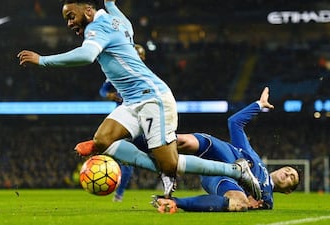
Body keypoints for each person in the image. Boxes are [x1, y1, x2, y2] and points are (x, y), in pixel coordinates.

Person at [17, 0, 261, 199]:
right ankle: (161, 167)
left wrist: (44, 60)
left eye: (71, 16)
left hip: (153, 98)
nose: (70, 23)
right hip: (132, 101)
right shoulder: (118, 19)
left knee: (170, 164)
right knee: (102, 140)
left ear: (88, 10)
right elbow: (111, 4)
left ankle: (236, 170)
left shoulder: (96, 28)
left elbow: (88, 54)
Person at [151, 87, 300, 213]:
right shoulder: (254, 157)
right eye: (288, 170)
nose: (287, 173)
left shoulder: (267, 200)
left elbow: (254, 204)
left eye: (291, 178)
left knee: (239, 203)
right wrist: (259, 105)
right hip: (220, 152)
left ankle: (173, 202)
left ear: (288, 191)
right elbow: (235, 122)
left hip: (220, 177)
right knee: (182, 142)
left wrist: (254, 204)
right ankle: (135, 140)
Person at [99, 43, 145, 202]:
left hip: (144, 121)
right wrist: (110, 95)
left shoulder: (145, 75)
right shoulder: (118, 73)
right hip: (125, 122)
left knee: (159, 153)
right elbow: (103, 89)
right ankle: (118, 194)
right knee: (126, 161)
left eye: (140, 56)